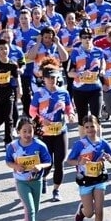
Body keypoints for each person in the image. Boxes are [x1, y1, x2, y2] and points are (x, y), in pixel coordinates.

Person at [65, 116, 111, 221]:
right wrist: (79, 162)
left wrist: (109, 158)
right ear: (83, 128)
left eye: (92, 126)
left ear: (98, 126)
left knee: (99, 210)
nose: (90, 129)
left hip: (99, 179)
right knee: (90, 213)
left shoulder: (103, 143)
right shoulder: (80, 144)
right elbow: (69, 161)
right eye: (87, 127)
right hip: (85, 180)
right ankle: (82, 210)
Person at [4, 117, 52, 221]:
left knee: (34, 210)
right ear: (18, 132)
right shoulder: (12, 146)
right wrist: (15, 166)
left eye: (30, 131)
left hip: (36, 181)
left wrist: (40, 165)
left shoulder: (40, 145)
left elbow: (48, 161)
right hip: (21, 182)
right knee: (30, 209)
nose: (27, 134)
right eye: (24, 131)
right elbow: (8, 161)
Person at [30, 68, 76, 202]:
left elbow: (69, 107)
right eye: (49, 78)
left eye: (54, 77)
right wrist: (40, 119)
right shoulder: (39, 94)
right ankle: (44, 178)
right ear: (43, 79)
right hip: (45, 133)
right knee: (47, 162)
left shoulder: (64, 92)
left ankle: (56, 190)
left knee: (60, 161)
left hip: (60, 130)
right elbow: (32, 111)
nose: (51, 80)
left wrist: (71, 114)